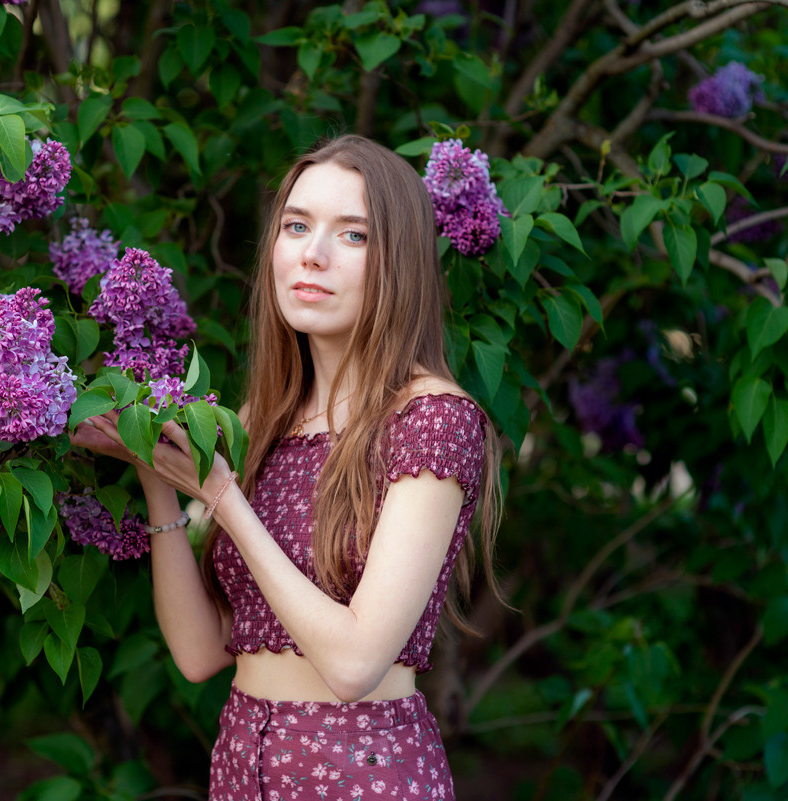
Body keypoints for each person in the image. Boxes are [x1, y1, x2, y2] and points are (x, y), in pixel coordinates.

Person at [71, 134, 502, 801]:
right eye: (296, 226)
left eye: (352, 235)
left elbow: (356, 663)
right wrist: (156, 472)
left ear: (401, 262)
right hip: (243, 764)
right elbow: (198, 652)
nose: (313, 254)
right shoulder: (258, 421)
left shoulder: (432, 420)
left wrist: (221, 495)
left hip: (363, 770)